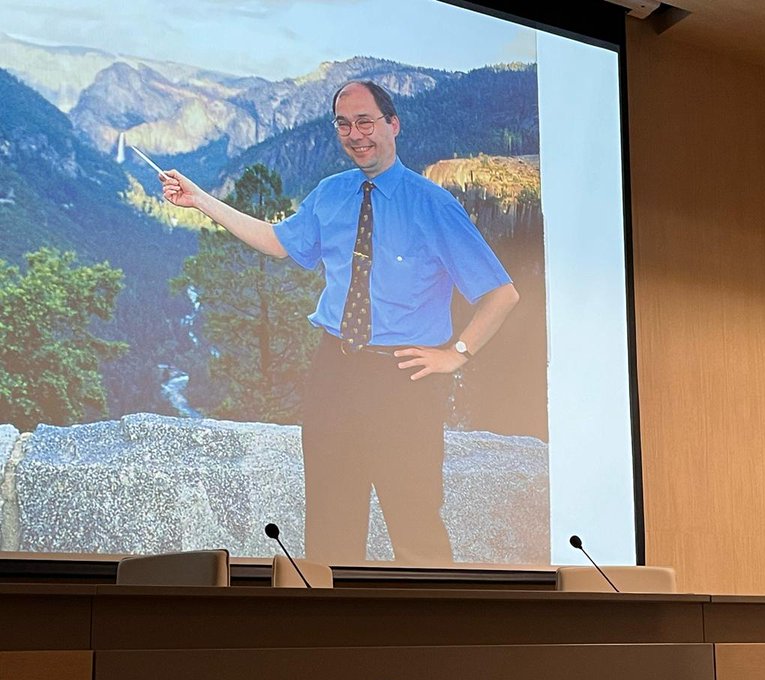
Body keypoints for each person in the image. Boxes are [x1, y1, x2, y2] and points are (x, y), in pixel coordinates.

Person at [159, 80, 519, 564]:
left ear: (393, 125)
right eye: (344, 124)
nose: (355, 134)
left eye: (365, 121)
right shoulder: (330, 194)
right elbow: (277, 241)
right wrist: (199, 199)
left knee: (413, 520)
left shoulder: (432, 204)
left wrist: (455, 354)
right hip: (333, 371)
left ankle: (429, 633)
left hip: (403, 378)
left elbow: (501, 293)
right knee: (329, 520)